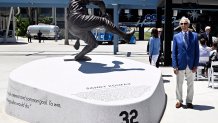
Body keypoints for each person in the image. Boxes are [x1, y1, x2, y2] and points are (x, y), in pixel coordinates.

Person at [67, 0, 135, 61]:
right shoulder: (79, 6)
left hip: (71, 27)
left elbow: (77, 23)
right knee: (104, 21)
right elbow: (100, 2)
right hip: (78, 20)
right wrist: (104, 14)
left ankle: (79, 56)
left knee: (93, 44)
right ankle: (125, 36)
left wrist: (77, 41)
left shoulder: (72, 3)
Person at [172, 17, 199, 109]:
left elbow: (197, 52)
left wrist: (195, 65)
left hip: (191, 64)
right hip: (180, 64)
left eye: (185, 23)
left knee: (190, 84)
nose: (183, 25)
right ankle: (179, 101)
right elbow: (174, 52)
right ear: (180, 25)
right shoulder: (176, 37)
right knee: (179, 84)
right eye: (182, 23)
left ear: (188, 24)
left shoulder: (194, 36)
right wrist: (175, 65)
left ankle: (189, 101)